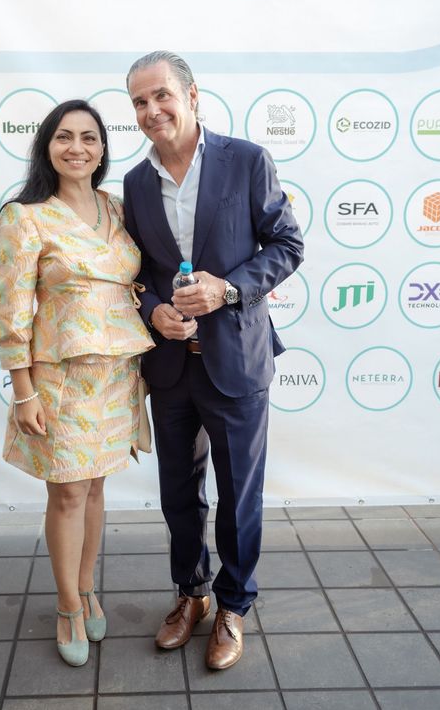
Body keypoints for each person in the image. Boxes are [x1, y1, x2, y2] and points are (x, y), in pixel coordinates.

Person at [123, 52, 304, 670]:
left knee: (239, 495)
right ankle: (191, 593)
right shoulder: (135, 182)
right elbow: (139, 272)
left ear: (192, 95)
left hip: (237, 362)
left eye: (161, 96)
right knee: (178, 494)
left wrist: (226, 289)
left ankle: (233, 605)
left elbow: (288, 244)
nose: (152, 110)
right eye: (139, 102)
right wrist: (154, 310)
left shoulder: (246, 160)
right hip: (172, 366)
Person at [0, 99, 154, 667]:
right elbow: (11, 312)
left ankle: (86, 589)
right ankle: (66, 606)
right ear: (47, 146)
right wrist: (24, 391)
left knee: (97, 488)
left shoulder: (117, 208)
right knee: (67, 493)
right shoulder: (26, 216)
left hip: (117, 376)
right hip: (60, 380)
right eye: (64, 137)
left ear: (103, 148)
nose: (77, 148)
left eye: (89, 137)